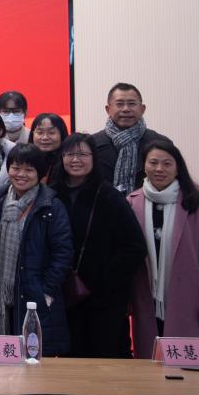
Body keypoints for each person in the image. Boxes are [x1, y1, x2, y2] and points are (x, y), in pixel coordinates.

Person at [51, 133, 146, 358]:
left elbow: (134, 247)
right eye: (70, 154)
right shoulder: (52, 194)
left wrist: (105, 281)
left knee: (108, 358)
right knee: (69, 359)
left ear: (94, 158)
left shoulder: (109, 196)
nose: (76, 160)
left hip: (104, 299)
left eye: (83, 154)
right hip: (63, 296)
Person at [129, 140, 199, 359]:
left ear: (177, 168)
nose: (159, 169)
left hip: (188, 297)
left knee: (186, 362)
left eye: (167, 163)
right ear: (144, 166)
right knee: (149, 361)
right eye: (153, 162)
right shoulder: (131, 203)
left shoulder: (196, 204)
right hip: (145, 296)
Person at [0, 144, 73, 356]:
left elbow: (63, 253)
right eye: (16, 168)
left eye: (29, 170)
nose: (21, 174)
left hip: (35, 296)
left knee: (34, 357)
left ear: (40, 173)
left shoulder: (51, 206)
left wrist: (46, 291)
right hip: (0, 295)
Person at [92, 83, 172, 194]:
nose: (126, 109)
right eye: (119, 104)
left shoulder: (161, 143)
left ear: (142, 109)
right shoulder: (92, 144)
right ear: (108, 109)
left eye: (132, 104)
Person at [28, 113, 69, 183]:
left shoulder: (68, 162)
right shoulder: (25, 159)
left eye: (51, 132)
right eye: (40, 132)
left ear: (62, 135)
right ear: (32, 134)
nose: (45, 137)